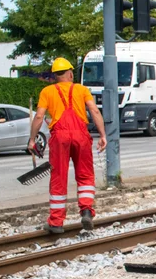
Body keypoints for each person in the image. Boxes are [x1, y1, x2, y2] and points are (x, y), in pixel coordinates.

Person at [27, 57, 107, 234]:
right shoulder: (81, 89)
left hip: (60, 137)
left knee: (59, 177)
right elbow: (94, 111)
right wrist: (102, 135)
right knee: (85, 175)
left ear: (56, 75)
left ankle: (56, 222)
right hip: (81, 135)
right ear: (71, 73)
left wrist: (32, 140)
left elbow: (39, 117)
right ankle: (86, 211)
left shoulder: (47, 92)